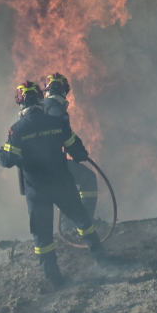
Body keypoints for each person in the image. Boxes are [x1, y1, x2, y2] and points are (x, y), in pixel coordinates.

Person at [0, 80, 107, 287]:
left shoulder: (17, 130)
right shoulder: (56, 123)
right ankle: (102, 260)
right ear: (40, 99)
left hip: (37, 192)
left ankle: (55, 280)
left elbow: (9, 160)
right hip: (62, 185)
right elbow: (80, 154)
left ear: (20, 103)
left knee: (43, 238)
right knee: (84, 222)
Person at [40, 73, 99, 232]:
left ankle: (68, 226)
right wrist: (80, 153)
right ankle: (82, 222)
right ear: (64, 91)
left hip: (35, 169)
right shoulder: (58, 112)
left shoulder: (37, 109)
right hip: (54, 165)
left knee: (66, 187)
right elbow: (67, 138)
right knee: (88, 178)